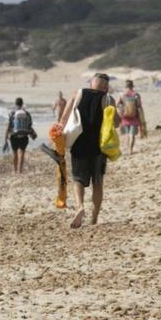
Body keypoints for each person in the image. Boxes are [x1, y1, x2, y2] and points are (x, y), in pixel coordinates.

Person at [58, 73, 120, 228]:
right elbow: (117, 123)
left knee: (78, 179)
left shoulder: (77, 93)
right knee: (97, 181)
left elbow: (64, 118)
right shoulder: (108, 99)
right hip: (99, 146)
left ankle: (80, 207)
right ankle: (95, 216)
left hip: (79, 143)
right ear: (105, 86)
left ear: (92, 83)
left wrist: (59, 135)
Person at [4, 97, 35, 174]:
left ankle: (15, 171)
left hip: (14, 136)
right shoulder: (27, 114)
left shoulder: (12, 113)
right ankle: (20, 171)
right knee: (21, 153)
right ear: (22, 104)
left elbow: (8, 126)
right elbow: (30, 125)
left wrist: (6, 136)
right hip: (24, 136)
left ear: (15, 104)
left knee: (14, 153)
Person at [117, 79, 147, 154]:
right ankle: (131, 150)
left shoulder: (122, 94)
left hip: (125, 117)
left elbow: (117, 105)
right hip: (134, 117)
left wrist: (122, 108)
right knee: (132, 135)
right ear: (132, 86)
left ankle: (128, 149)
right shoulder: (136, 95)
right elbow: (139, 106)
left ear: (125, 86)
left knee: (127, 134)